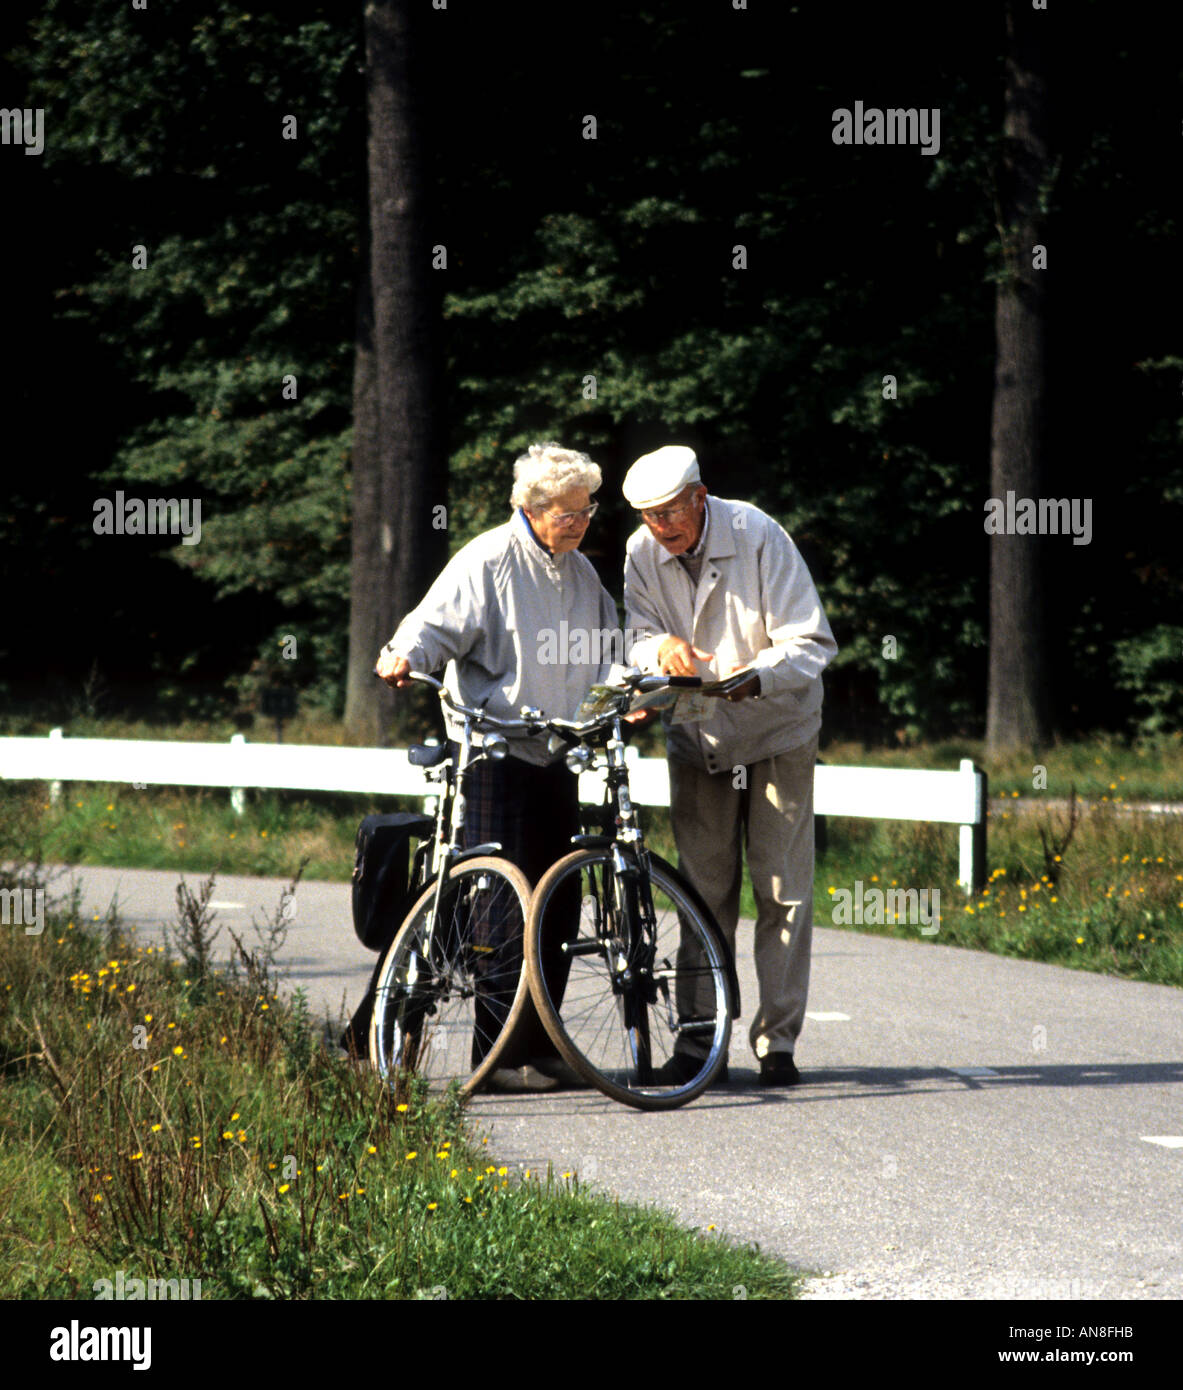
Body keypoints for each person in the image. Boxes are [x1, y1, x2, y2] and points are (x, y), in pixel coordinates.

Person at [375, 442, 621, 1092]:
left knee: (560, 902)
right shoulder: (488, 559)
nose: (579, 521)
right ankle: (495, 1056)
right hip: (494, 752)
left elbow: (606, 655)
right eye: (567, 512)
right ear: (531, 507)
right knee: (499, 909)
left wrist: (628, 692)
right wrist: (404, 655)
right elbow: (432, 625)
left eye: (586, 510)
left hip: (557, 753)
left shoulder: (582, 576)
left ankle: (543, 1047)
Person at [621, 445, 837, 1086]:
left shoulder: (758, 532)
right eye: (649, 517)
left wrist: (757, 676)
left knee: (782, 892)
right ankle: (699, 1044)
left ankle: (778, 1044)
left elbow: (812, 642)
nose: (661, 527)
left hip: (777, 730)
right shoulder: (641, 553)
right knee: (701, 892)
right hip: (699, 738)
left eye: (669, 512)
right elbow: (635, 636)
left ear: (700, 496)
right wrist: (658, 647)